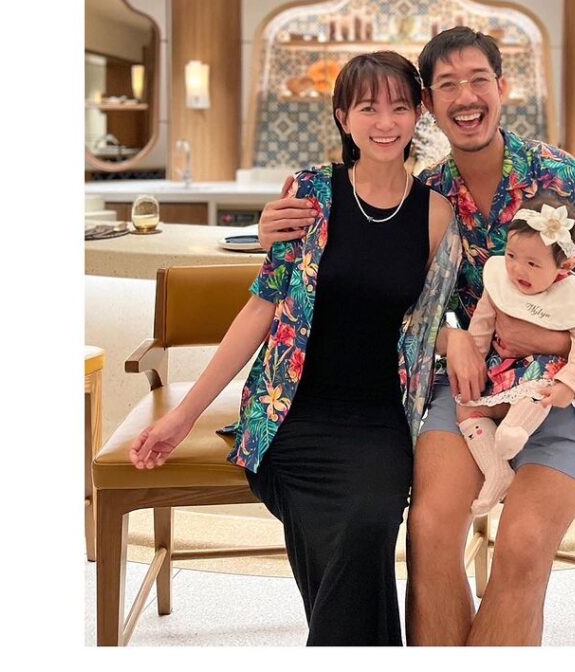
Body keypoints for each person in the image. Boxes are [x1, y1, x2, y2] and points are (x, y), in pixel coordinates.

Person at [257, 27, 575, 646]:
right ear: (429, 102)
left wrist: (556, 341)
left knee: (522, 546)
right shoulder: (431, 194)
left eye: (478, 80)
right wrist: (452, 340)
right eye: (447, 84)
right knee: (428, 532)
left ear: (503, 87)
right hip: (475, 386)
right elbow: (390, 302)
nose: (465, 96)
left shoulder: (565, 179)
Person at [128, 51, 460, 647]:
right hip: (292, 412)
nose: (385, 122)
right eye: (368, 107)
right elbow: (260, 309)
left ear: (418, 115)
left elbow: (435, 318)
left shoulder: (436, 215)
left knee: (368, 522)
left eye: (400, 107)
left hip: (381, 417)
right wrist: (183, 417)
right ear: (343, 117)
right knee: (350, 545)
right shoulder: (311, 194)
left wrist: (459, 337)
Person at [454, 194, 575, 517]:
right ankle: (497, 470)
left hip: (545, 374)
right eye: (511, 255)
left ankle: (515, 429)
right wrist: (475, 361)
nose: (517, 269)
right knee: (466, 407)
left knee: (536, 387)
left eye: (532, 264)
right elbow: (482, 326)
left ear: (564, 266)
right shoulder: (501, 281)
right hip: (503, 369)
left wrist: (569, 385)